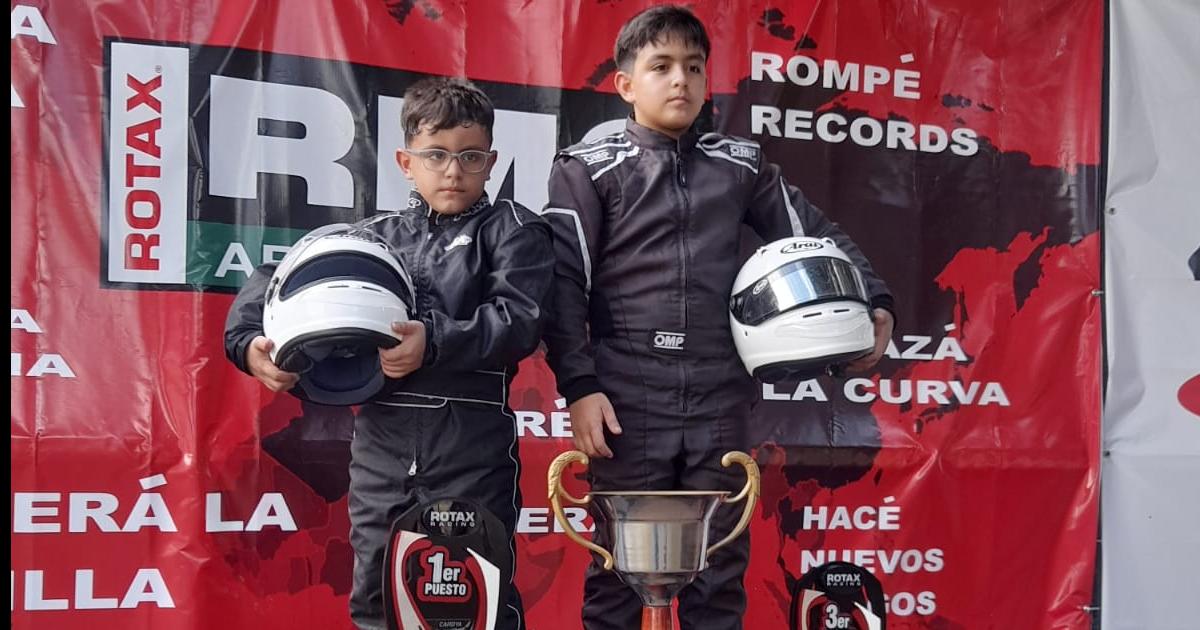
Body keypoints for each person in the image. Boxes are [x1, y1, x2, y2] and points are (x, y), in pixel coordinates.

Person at [541, 6, 896, 629]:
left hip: (719, 393)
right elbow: (564, 282)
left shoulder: (742, 163)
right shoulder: (586, 167)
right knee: (621, 577)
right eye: (661, 67)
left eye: (694, 67)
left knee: (718, 573)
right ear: (625, 85)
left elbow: (812, 233)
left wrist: (876, 299)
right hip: (627, 395)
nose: (680, 79)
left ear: (708, 80)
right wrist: (581, 387)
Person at [224, 76, 552, 630]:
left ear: (491, 161)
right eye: (437, 155)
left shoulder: (513, 229)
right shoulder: (373, 237)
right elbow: (276, 277)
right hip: (380, 445)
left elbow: (520, 320)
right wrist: (248, 343)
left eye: (470, 156)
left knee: (475, 597)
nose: (453, 170)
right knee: (378, 593)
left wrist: (435, 340)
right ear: (405, 161)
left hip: (470, 442)